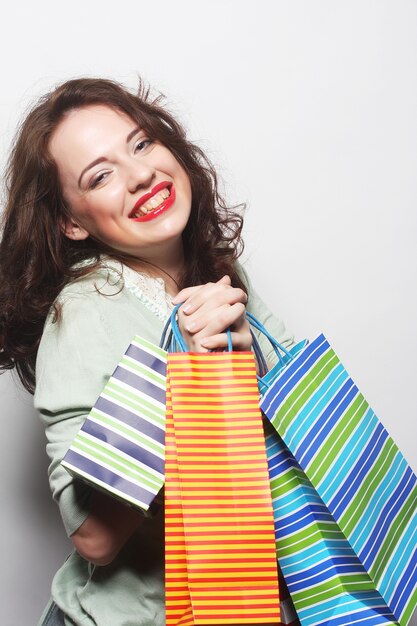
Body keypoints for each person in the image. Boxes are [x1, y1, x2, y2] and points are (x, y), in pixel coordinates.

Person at [0, 77, 294, 626]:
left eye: (141, 144)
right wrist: (189, 379)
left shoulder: (223, 275)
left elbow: (287, 450)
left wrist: (246, 356)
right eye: (102, 175)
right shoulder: (84, 310)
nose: (140, 176)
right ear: (70, 221)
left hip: (247, 603)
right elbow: (94, 538)